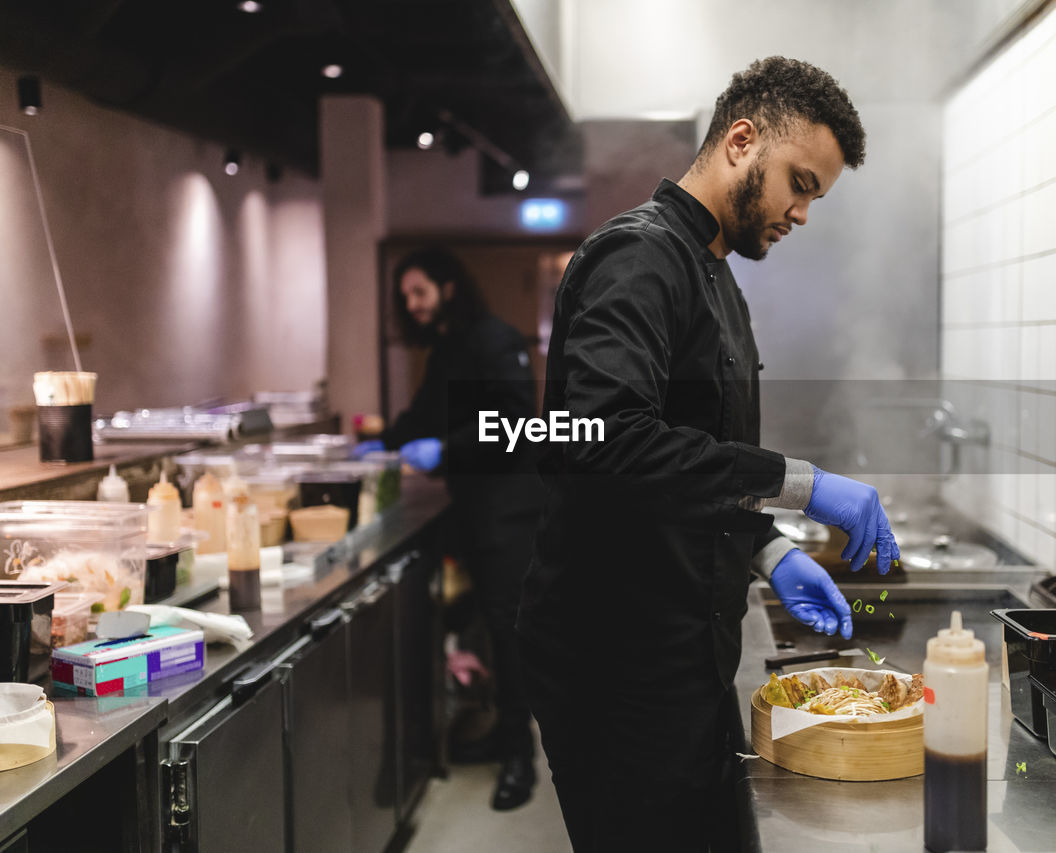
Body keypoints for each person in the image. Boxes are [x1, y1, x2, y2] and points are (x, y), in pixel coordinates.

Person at [515, 57, 900, 851]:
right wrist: (805, 485)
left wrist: (769, 548)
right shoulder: (637, 260)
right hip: (617, 669)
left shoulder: (717, 276)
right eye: (799, 182)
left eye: (815, 196)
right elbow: (610, 442)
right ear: (740, 139)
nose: (801, 212)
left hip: (685, 659)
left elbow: (693, 466)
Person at [355, 247, 544, 811]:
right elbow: (424, 414)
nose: (411, 305)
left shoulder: (495, 339)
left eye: (419, 293)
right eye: (405, 296)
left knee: (510, 636)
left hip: (510, 511)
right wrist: (378, 445)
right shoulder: (447, 347)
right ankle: (500, 734)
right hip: (474, 508)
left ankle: (521, 759)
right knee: (491, 625)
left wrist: (446, 447)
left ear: (448, 288)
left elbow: (520, 422)